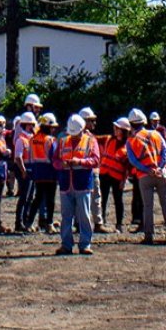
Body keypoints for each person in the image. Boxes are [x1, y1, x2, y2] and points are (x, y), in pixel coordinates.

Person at [54, 114, 100, 256]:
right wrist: (61, 164)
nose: (73, 136)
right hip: (66, 183)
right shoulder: (62, 142)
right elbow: (55, 160)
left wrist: (80, 162)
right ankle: (66, 245)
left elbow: (96, 160)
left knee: (84, 216)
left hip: (83, 184)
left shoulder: (91, 141)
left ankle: (85, 244)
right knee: (66, 216)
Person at [126, 109, 166, 245]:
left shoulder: (131, 141)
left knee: (147, 206)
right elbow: (165, 151)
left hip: (145, 176)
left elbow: (133, 160)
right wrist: (160, 167)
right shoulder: (156, 134)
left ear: (131, 124)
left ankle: (149, 236)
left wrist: (148, 170)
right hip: (161, 173)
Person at [25, 113, 59, 232]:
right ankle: (49, 223)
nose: (53, 129)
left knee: (37, 198)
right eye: (52, 127)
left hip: (38, 172)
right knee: (50, 199)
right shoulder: (50, 140)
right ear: (48, 127)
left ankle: (29, 223)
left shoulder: (32, 139)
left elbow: (30, 157)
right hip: (50, 173)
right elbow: (54, 157)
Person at [79, 107, 110, 234]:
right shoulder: (79, 137)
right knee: (83, 198)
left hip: (91, 171)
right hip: (83, 171)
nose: (94, 123)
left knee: (96, 197)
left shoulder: (90, 136)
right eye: (91, 120)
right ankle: (85, 223)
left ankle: (97, 223)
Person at [99, 118, 130, 233]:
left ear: (123, 130)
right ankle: (101, 221)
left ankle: (119, 224)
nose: (114, 129)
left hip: (117, 177)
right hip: (104, 174)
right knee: (102, 199)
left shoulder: (128, 146)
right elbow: (95, 139)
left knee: (118, 200)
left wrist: (123, 180)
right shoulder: (109, 139)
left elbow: (127, 167)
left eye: (117, 128)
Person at [12, 112, 37, 232]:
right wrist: (23, 171)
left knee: (30, 197)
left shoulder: (31, 139)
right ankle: (19, 222)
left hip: (31, 169)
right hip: (25, 169)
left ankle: (26, 222)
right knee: (24, 197)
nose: (33, 127)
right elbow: (18, 157)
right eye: (31, 125)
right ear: (26, 125)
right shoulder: (21, 140)